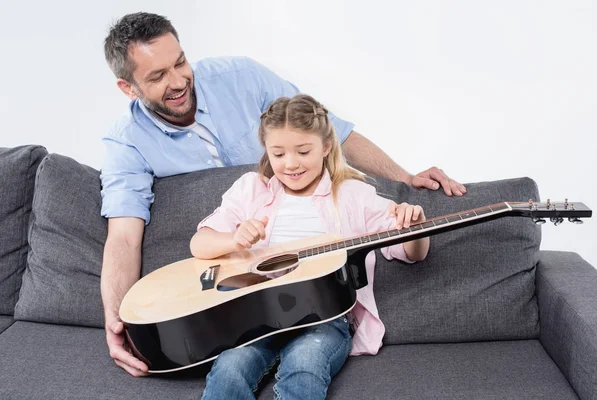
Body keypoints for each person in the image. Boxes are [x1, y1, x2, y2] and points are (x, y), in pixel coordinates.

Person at [100, 12, 460, 377]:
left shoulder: (241, 77)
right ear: (128, 88)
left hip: (315, 300)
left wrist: (405, 177)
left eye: (180, 62)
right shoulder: (124, 143)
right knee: (231, 368)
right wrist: (117, 322)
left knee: (305, 364)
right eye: (158, 76)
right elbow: (124, 239)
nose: (178, 81)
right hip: (237, 292)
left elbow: (331, 131)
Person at [190, 94, 430, 399]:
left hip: (324, 319)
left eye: (303, 151)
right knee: (229, 368)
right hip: (255, 318)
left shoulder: (353, 194)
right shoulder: (250, 189)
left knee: (306, 363)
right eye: (278, 154)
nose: (290, 164)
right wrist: (233, 239)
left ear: (326, 146)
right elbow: (199, 244)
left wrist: (416, 225)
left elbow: (412, 253)